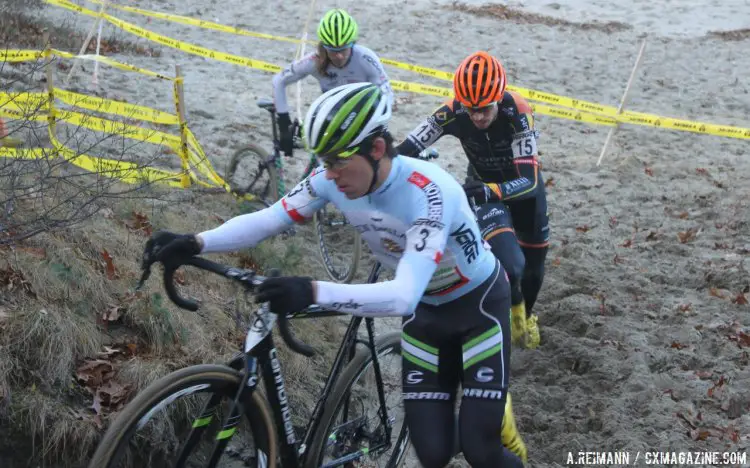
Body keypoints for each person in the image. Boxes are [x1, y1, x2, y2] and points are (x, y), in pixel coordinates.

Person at [143, 83, 526, 468]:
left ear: (376, 149)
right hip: (427, 317)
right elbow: (271, 217)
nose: (330, 174)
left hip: (478, 309)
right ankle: (477, 414)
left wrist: (311, 291)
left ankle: (490, 422)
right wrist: (196, 242)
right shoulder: (332, 180)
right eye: (324, 161)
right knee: (433, 453)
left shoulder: (429, 192)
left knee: (481, 450)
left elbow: (402, 297)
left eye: (338, 161)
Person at [396, 51, 549, 350]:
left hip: (521, 190)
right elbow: (403, 151)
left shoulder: (517, 110)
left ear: (498, 98)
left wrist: (492, 189)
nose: (477, 116)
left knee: (533, 266)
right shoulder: (449, 112)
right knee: (513, 266)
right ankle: (503, 316)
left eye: (484, 109)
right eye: (470, 109)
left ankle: (525, 314)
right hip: (483, 191)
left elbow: (529, 182)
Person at [271, 8, 393, 157]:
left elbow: (385, 91)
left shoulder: (365, 58)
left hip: (360, 118)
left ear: (352, 43)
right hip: (332, 119)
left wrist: (380, 125)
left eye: (344, 49)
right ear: (324, 47)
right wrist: (284, 124)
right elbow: (279, 81)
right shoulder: (313, 61)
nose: (340, 56)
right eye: (333, 51)